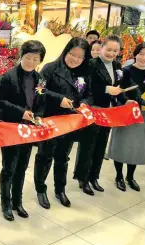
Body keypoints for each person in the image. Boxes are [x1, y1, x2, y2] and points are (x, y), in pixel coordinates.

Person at [0, 40, 73, 221]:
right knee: (9, 167)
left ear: (40, 61)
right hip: (12, 128)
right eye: (28, 57)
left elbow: (41, 100)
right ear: (22, 56)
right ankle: (5, 203)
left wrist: (37, 115)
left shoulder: (39, 79)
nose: (30, 62)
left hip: (29, 131)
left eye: (35, 59)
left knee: (22, 166)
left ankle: (17, 202)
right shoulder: (9, 76)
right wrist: (21, 112)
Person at [33, 37, 96, 209]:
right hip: (51, 120)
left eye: (79, 57)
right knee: (45, 156)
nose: (74, 59)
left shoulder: (84, 72)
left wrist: (85, 103)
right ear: (66, 51)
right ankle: (41, 189)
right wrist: (58, 99)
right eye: (72, 54)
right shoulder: (51, 68)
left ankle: (60, 189)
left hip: (71, 122)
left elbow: (89, 93)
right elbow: (39, 90)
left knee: (63, 156)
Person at [75, 35, 123, 195]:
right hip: (93, 109)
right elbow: (84, 86)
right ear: (101, 47)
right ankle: (83, 178)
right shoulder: (91, 64)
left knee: (101, 145)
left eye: (115, 50)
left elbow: (119, 85)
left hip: (109, 111)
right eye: (108, 49)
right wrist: (105, 89)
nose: (111, 53)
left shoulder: (117, 65)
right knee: (88, 145)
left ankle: (94, 177)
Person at [108, 42, 145, 192]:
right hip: (125, 112)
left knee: (136, 146)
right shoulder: (124, 71)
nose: (144, 58)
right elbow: (117, 91)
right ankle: (119, 176)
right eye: (142, 54)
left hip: (143, 114)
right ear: (135, 54)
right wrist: (124, 101)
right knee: (121, 144)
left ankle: (130, 176)